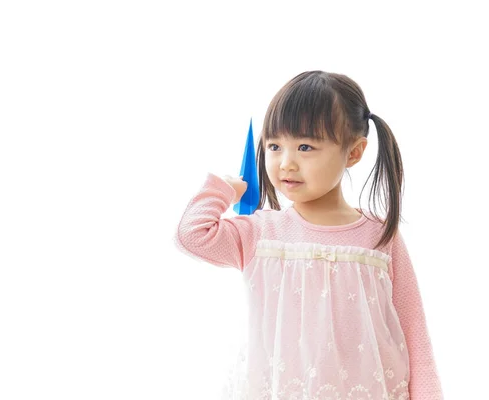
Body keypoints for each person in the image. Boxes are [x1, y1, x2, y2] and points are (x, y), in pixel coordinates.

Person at [173, 71, 443, 400]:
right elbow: (192, 235)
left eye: (305, 146)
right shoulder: (262, 234)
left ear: (354, 152)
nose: (286, 163)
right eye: (274, 145)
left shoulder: (379, 237)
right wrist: (223, 190)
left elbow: (414, 334)